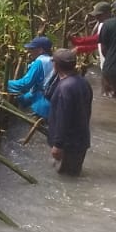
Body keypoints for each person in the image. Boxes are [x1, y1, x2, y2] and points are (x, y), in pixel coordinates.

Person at [46, 48, 93, 177]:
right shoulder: (83, 82)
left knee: (64, 178)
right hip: (81, 140)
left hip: (68, 144)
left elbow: (63, 117)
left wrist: (58, 145)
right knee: (73, 176)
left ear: (56, 65)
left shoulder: (64, 88)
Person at [7, 36, 55, 118]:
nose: (29, 52)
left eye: (32, 49)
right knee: (22, 99)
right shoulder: (51, 60)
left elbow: (26, 83)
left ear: (40, 50)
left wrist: (6, 84)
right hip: (51, 98)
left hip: (44, 102)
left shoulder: (40, 62)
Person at [71, 2, 112, 96]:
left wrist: (77, 41)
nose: (96, 18)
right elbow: (98, 44)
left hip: (110, 67)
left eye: (99, 15)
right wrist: (79, 48)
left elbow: (96, 39)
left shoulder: (109, 26)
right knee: (106, 95)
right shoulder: (102, 25)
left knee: (109, 94)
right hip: (105, 67)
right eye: (96, 16)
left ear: (107, 14)